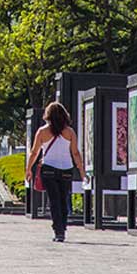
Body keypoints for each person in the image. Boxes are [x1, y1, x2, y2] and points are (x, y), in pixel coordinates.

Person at [26, 102, 85, 242]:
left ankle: (58, 230)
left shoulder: (42, 131)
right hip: (66, 169)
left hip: (49, 169)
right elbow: (75, 153)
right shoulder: (69, 132)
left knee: (54, 200)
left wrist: (28, 169)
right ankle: (62, 227)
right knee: (63, 199)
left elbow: (34, 152)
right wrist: (81, 171)